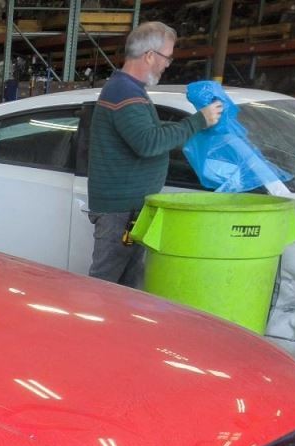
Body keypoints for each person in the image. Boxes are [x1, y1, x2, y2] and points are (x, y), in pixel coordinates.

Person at [87, 21, 223, 288]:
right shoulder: (124, 93)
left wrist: (183, 129)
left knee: (126, 288)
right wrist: (197, 122)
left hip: (128, 210)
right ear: (149, 55)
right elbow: (148, 142)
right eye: (167, 57)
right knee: (104, 289)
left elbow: (148, 131)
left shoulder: (128, 89)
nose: (167, 64)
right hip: (121, 212)